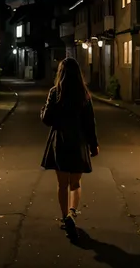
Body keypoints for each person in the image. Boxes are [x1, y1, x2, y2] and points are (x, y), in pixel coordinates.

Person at [40, 57, 99, 238]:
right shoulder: (84, 94)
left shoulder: (55, 92)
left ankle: (65, 216)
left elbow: (47, 119)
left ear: (61, 73)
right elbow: (90, 122)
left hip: (61, 142)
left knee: (62, 184)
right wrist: (93, 144)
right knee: (75, 182)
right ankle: (73, 212)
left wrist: (43, 111)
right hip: (79, 142)